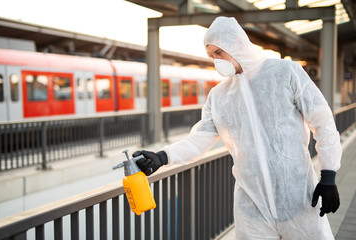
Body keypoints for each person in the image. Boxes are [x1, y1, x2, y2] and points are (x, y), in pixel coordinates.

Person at [133, 16, 341, 240]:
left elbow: (322, 121)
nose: (215, 61)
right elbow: (200, 138)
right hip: (252, 206)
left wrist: (328, 175)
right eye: (211, 56)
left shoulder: (286, 73)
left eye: (219, 53)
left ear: (237, 44)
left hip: (298, 196)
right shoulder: (219, 96)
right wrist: (163, 157)